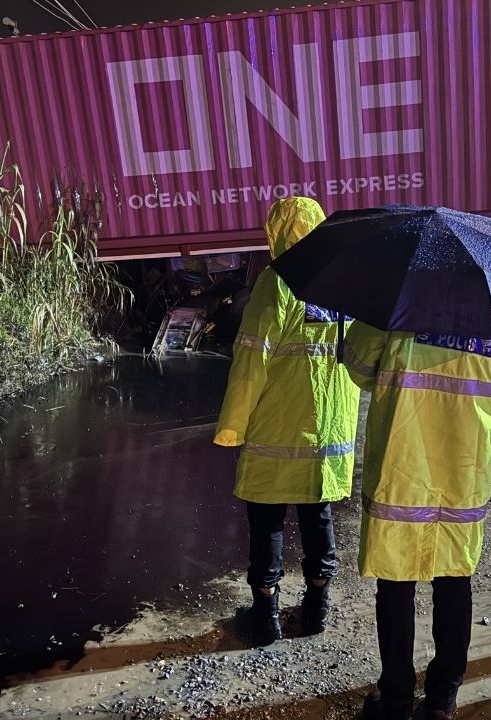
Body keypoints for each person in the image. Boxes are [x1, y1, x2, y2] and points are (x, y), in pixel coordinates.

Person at [344, 323, 491, 720]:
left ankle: (397, 698)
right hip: (462, 471)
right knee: (454, 581)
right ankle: (441, 701)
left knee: (395, 583)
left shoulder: (397, 295)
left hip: (403, 470)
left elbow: (359, 367)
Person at [213, 197, 360, 645]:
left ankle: (266, 618)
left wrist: (232, 426)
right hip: (329, 437)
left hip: (275, 433)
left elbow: (250, 360)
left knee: (267, 523)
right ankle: (316, 610)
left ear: (276, 234)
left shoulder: (276, 283)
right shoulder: (344, 286)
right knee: (319, 518)